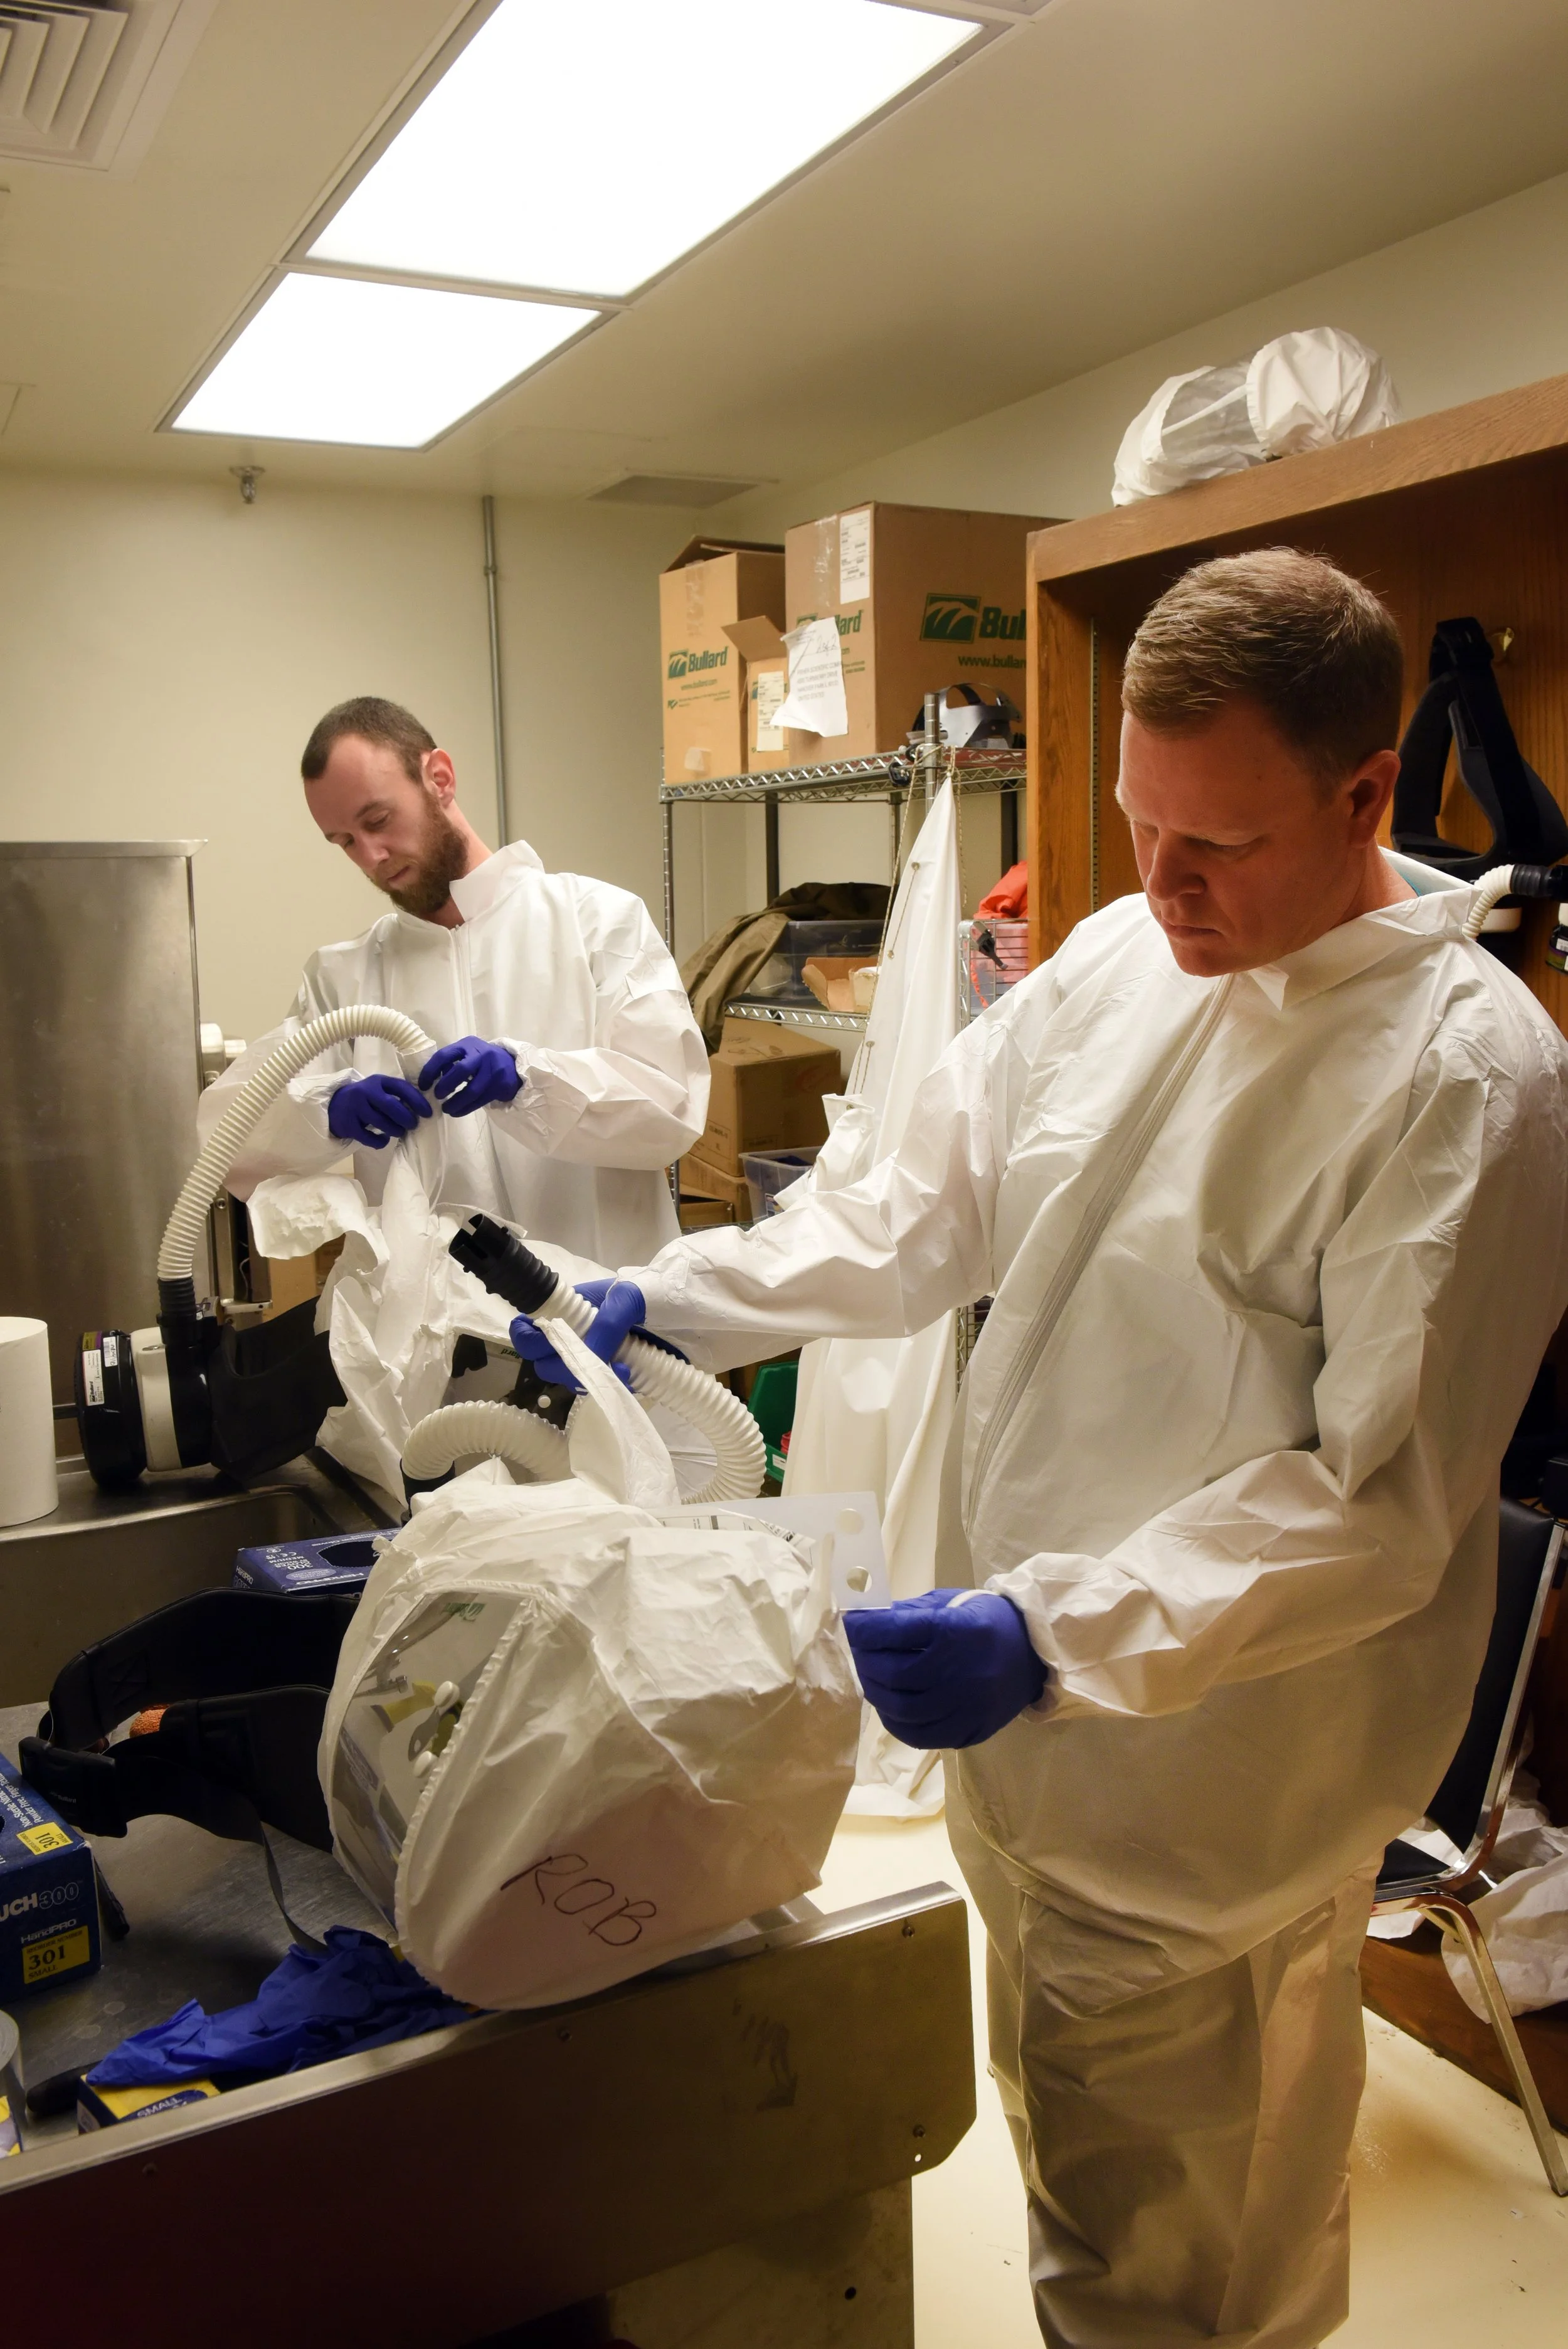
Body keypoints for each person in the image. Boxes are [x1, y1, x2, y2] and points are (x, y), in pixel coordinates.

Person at [515, 551, 1568, 2348]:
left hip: (1215, 1805)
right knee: (1133, 2209)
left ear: (1366, 792)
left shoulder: (1460, 1080)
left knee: (1178, 2271)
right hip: (1049, 1774)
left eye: (1214, 842)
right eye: (1136, 822)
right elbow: (917, 1208)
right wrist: (686, 1299)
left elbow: (1375, 1505)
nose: (1159, 881)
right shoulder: (1120, 956)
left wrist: (1055, 1634)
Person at [202, 696, 707, 1266]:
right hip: (446, 1338)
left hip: (606, 1316)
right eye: (344, 842)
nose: (371, 856)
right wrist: (326, 1110)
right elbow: (230, 1142)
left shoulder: (596, 921)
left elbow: (675, 1110)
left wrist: (531, 1079)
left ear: (438, 778)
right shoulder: (343, 979)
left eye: (377, 820)